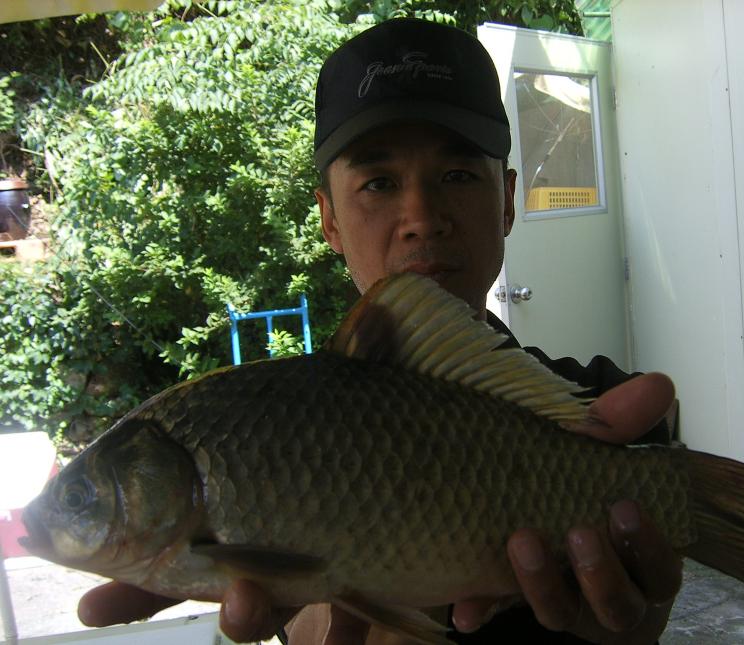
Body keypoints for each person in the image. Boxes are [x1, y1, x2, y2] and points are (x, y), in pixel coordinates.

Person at [78, 17, 682, 645]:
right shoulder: (277, 431)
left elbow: (646, 605)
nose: (421, 217)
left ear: (506, 201)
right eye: (378, 183)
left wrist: (632, 625)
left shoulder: (604, 419)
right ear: (329, 221)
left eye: (457, 176)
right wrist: (322, 612)